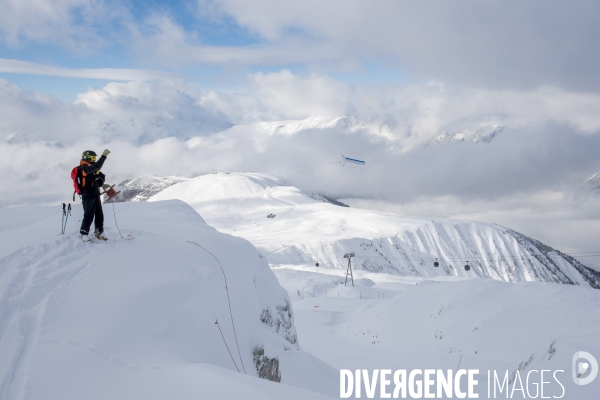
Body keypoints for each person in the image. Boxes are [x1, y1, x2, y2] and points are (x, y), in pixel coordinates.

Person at [79, 149, 111, 241]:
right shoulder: (84, 167)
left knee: (99, 215)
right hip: (87, 195)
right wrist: (104, 156)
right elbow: (98, 166)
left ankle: (99, 232)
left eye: (95, 158)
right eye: (93, 157)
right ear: (87, 158)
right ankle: (83, 233)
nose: (94, 159)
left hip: (95, 194)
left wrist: (101, 181)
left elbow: (100, 177)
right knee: (88, 215)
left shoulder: (91, 168)